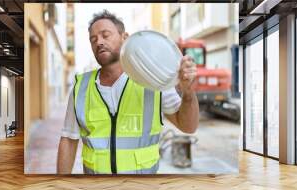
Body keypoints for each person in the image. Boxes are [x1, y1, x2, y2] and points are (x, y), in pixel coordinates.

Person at [57, 10, 199, 174]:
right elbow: (68, 139)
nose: (99, 42)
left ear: (125, 37)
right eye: (93, 39)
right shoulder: (81, 86)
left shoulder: (152, 81)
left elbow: (188, 127)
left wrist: (188, 93)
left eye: (105, 35)